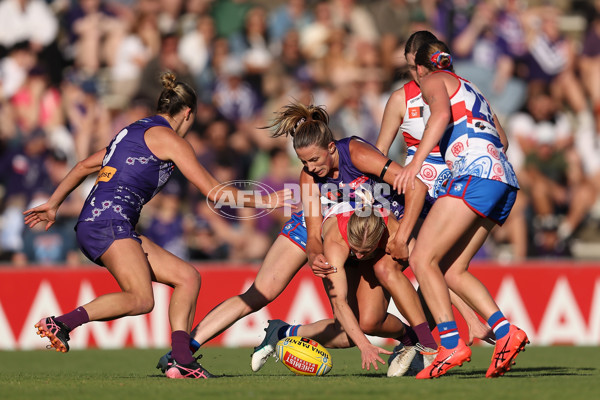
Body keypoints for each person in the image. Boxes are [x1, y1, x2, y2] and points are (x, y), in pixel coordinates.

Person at [24, 72, 290, 380]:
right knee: (141, 299)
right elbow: (216, 193)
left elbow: (84, 165)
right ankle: (62, 323)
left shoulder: (131, 132)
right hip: (109, 222)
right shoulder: (169, 140)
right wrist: (267, 200)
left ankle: (181, 360)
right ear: (187, 113)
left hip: (101, 221)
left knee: (187, 277)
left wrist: (54, 204)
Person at [156, 101, 437, 376]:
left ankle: (284, 333)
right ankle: (184, 350)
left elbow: (408, 183)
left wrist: (402, 228)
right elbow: (313, 231)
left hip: (351, 234)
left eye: (314, 160)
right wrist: (315, 255)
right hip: (316, 231)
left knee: (352, 330)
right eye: (303, 162)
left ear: (330, 148)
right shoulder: (308, 176)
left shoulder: (355, 153)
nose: (310, 167)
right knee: (258, 294)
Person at [394, 40, 529, 379]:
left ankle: (451, 344)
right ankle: (504, 332)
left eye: (412, 65)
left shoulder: (432, 81)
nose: (413, 74)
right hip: (503, 176)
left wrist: (417, 163)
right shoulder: (471, 87)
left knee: (422, 258)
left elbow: (438, 116)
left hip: (476, 174)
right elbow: (503, 138)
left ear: (422, 65)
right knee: (452, 269)